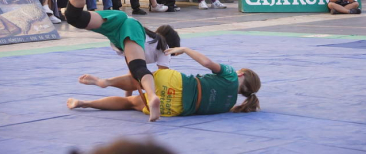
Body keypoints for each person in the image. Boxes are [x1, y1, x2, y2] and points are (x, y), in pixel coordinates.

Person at [61, 0, 178, 121]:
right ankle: (152, 96)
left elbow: (133, 77)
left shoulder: (147, 39)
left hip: (120, 19)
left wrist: (127, 97)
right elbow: (162, 78)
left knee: (75, 17)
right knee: (140, 68)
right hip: (129, 27)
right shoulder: (165, 49)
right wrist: (151, 95)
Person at [67, 46, 261, 118]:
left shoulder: (230, 75)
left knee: (141, 79)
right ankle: (84, 103)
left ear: (241, 75)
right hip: (176, 107)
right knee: (129, 103)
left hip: (180, 83)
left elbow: (207, 62)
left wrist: (185, 49)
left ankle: (106, 82)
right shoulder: (229, 106)